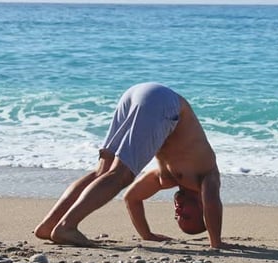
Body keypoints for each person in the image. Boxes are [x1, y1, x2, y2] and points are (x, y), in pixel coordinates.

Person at [34, 82, 225, 249]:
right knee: (121, 174)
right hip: (163, 103)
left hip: (138, 94)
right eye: (187, 217)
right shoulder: (207, 174)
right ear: (201, 209)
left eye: (178, 218)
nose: (178, 212)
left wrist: (147, 235)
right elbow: (213, 203)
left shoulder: (167, 177)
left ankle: (49, 225)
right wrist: (216, 243)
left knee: (103, 171)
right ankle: (66, 226)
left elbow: (131, 198)